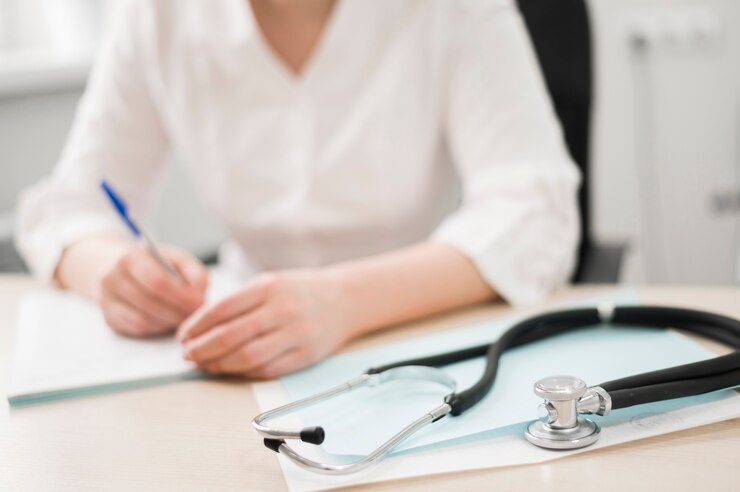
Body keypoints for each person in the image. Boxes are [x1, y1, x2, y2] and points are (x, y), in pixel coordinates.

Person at [16, 0, 580, 379]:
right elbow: (69, 206)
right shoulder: (159, 13)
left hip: (422, 341)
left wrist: (340, 302)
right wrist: (113, 272)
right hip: (243, 360)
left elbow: (536, 212)